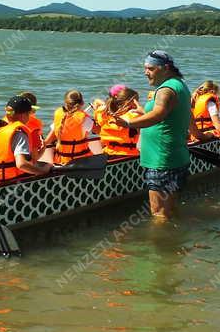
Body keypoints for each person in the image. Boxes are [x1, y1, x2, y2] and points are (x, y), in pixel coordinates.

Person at [113, 51, 199, 219]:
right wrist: (141, 110)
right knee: (170, 211)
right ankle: (176, 242)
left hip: (161, 162)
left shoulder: (166, 90)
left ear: (165, 68)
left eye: (150, 69)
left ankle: (160, 243)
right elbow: (171, 113)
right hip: (174, 158)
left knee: (159, 215)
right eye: (145, 68)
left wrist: (128, 123)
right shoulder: (179, 84)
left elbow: (159, 114)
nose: (146, 72)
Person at [0, 95, 53, 181]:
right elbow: (21, 164)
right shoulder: (19, 133)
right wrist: (43, 172)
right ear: (22, 115)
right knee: (48, 167)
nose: (29, 117)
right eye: (28, 114)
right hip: (16, 183)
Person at [43, 90, 95, 165]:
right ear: (82, 103)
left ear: (65, 103)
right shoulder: (85, 119)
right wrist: (98, 112)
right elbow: (99, 130)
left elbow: (48, 140)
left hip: (60, 161)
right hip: (81, 161)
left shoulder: (59, 116)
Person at [96, 85, 143, 157]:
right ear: (132, 103)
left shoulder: (102, 113)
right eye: (137, 100)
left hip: (107, 154)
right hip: (128, 155)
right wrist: (143, 111)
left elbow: (96, 102)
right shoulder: (135, 116)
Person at [18, 91, 44, 157]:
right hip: (23, 164)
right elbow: (35, 158)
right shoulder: (34, 127)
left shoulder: (6, 122)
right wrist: (44, 148)